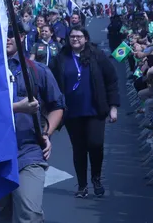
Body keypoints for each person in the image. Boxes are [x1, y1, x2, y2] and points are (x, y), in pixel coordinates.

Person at [0, 27, 65, 223]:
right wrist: (17, 107)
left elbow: (57, 105)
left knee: (29, 215)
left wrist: (47, 132)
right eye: (4, 33)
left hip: (29, 152)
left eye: (14, 33)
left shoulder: (38, 71)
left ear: (22, 38)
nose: (9, 38)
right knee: (0, 220)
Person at [49, 27, 119, 198]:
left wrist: (113, 106)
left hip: (95, 109)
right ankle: (82, 185)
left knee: (95, 144)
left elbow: (111, 80)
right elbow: (51, 83)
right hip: (72, 112)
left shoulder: (97, 55)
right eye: (72, 36)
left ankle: (96, 178)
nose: (75, 39)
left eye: (79, 36)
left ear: (86, 38)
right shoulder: (60, 58)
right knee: (79, 149)